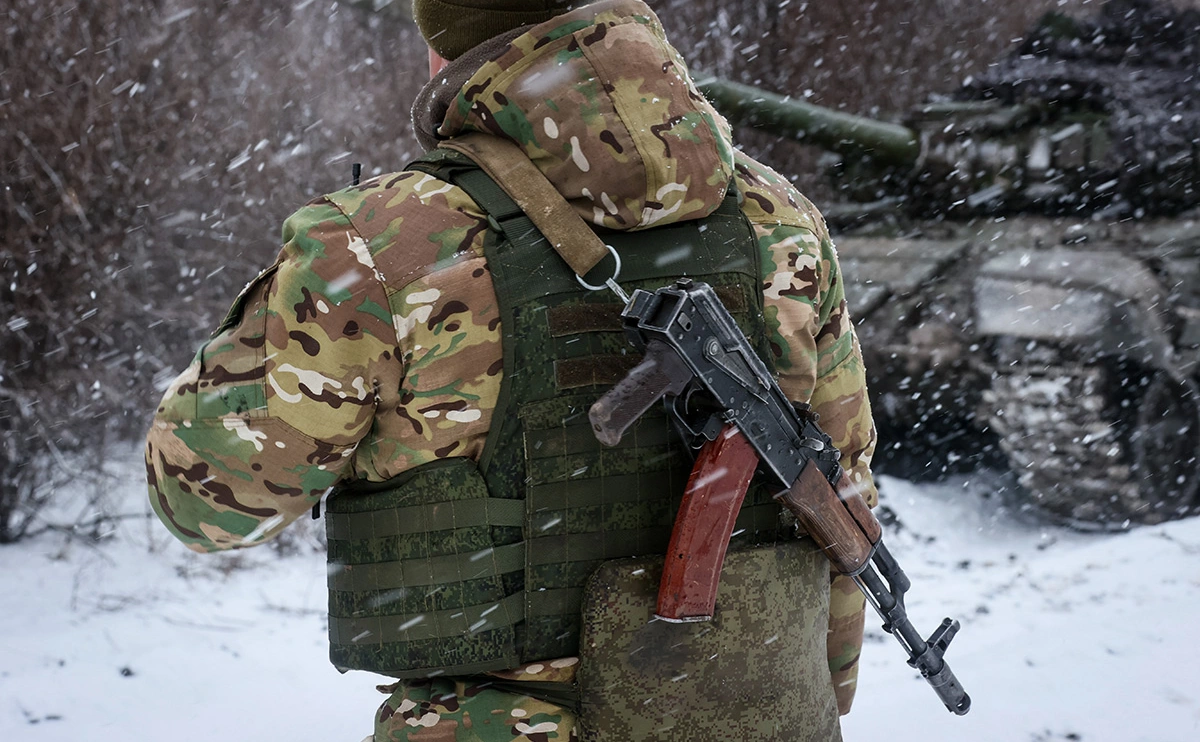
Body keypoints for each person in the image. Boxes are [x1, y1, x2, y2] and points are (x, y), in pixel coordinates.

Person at [144, 1, 878, 739]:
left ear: (444, 48)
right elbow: (840, 486)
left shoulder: (376, 241)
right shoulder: (779, 214)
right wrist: (815, 694)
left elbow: (205, 503)